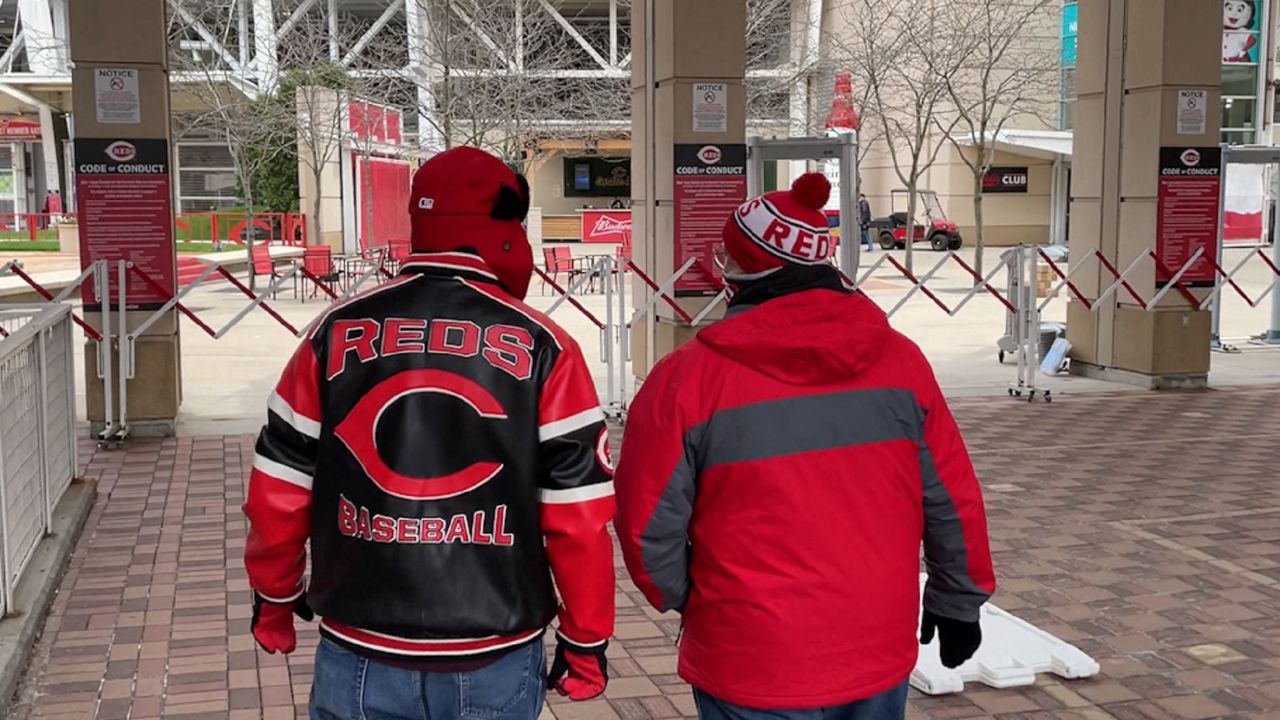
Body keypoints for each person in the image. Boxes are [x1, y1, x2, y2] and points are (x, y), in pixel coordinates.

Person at [244, 146, 616, 720]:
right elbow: (579, 517)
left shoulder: (332, 330)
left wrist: (274, 597)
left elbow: (278, 486)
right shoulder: (547, 345)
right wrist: (586, 640)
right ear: (506, 227)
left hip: (359, 642)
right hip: (495, 648)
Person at [615, 173, 995, 720]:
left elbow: (648, 525)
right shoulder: (902, 363)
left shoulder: (687, 380)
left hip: (748, 656)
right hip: (875, 648)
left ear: (750, 269)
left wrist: (689, 599)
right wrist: (959, 597)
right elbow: (952, 497)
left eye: (728, 256)